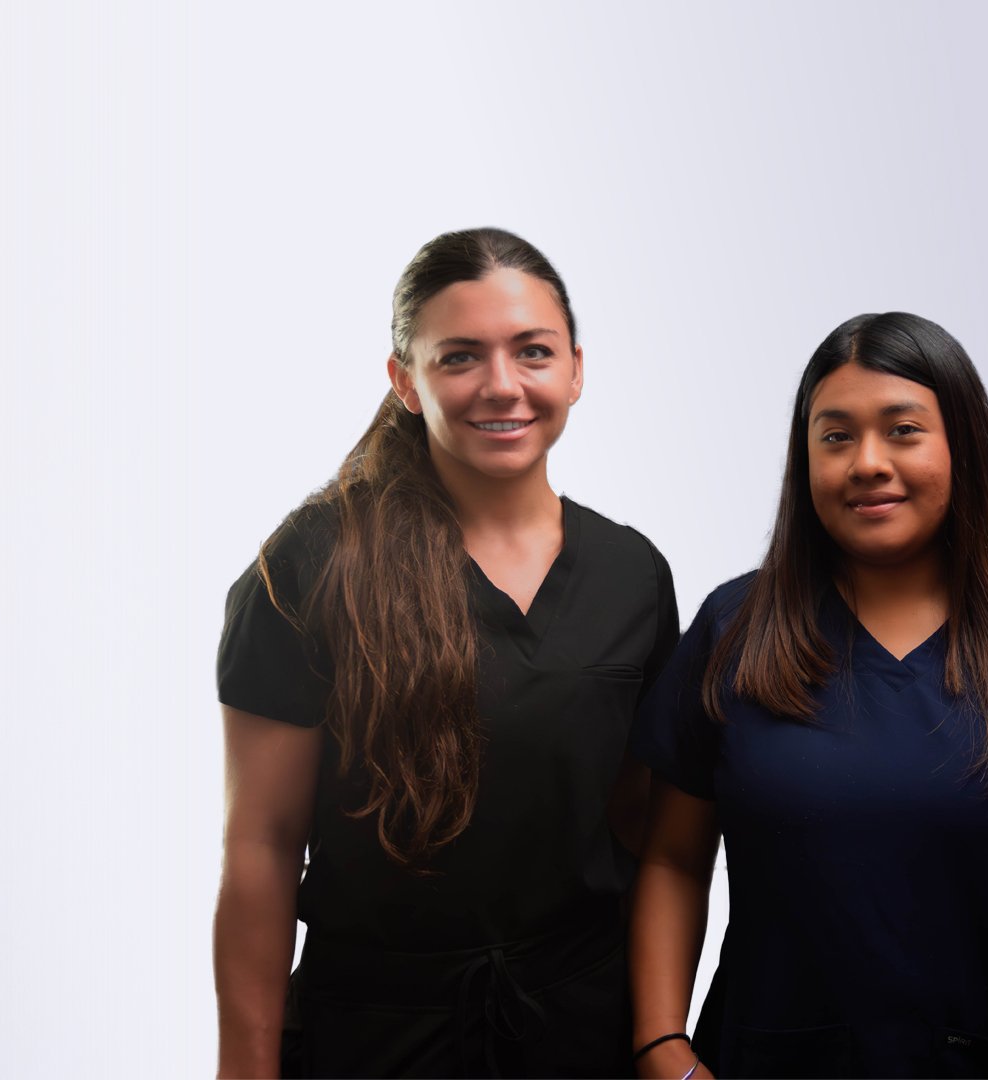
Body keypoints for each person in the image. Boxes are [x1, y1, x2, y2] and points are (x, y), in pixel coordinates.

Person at [629, 312, 988, 1079]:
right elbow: (672, 857)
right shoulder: (736, 629)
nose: (867, 462)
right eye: (835, 436)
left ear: (964, 444)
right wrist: (663, 1045)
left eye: (903, 430)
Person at [214, 228, 678, 1078]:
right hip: (374, 1041)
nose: (502, 385)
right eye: (459, 356)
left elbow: (649, 841)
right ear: (405, 382)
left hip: (580, 1036)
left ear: (576, 368)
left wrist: (660, 1037)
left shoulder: (631, 576)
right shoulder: (312, 567)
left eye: (532, 352)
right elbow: (262, 845)